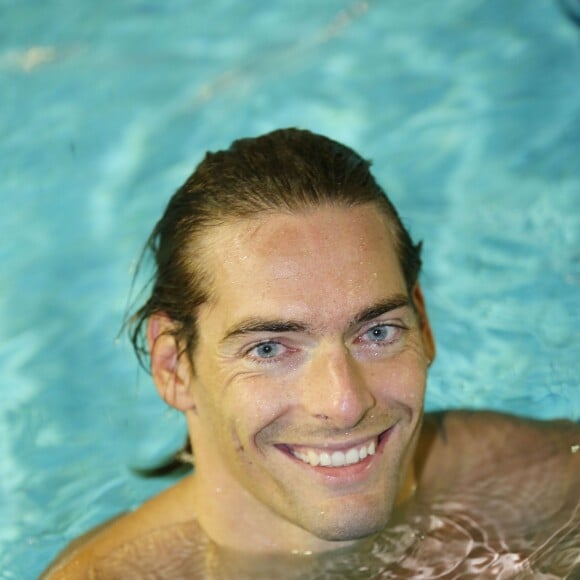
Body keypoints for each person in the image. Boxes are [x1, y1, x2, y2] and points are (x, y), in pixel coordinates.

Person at [44, 129, 579, 579]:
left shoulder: (545, 488)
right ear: (173, 366)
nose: (345, 404)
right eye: (270, 347)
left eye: (377, 333)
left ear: (425, 324)